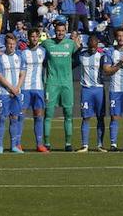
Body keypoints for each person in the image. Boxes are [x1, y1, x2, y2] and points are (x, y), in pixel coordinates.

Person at [42, 21, 80, 151]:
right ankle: (46, 143)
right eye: (58, 30)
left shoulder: (71, 44)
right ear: (54, 30)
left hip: (67, 84)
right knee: (48, 114)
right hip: (51, 84)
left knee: (68, 114)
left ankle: (68, 143)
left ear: (66, 31)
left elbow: (78, 58)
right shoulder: (47, 43)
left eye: (63, 31)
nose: (60, 33)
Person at [0, 34, 26, 154]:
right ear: (5, 45)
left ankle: (13, 146)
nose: (11, 46)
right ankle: (0, 146)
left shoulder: (20, 56)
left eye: (13, 44)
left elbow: (22, 74)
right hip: (4, 92)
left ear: (16, 44)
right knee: (2, 118)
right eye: (9, 44)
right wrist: (11, 88)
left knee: (14, 118)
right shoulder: (0, 58)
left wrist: (17, 88)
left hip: (16, 92)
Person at [19, 28, 48, 152]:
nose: (34, 39)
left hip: (38, 88)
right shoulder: (23, 53)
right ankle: (17, 143)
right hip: (25, 88)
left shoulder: (43, 52)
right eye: (32, 36)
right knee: (21, 115)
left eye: (37, 37)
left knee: (39, 115)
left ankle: (39, 144)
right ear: (28, 38)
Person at [76, 35, 107, 152]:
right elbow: (72, 60)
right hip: (86, 90)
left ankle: (100, 144)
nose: (93, 48)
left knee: (100, 117)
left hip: (99, 89)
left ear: (97, 45)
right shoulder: (82, 55)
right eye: (91, 46)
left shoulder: (102, 56)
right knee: (86, 117)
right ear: (88, 44)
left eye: (95, 46)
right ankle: (85, 145)